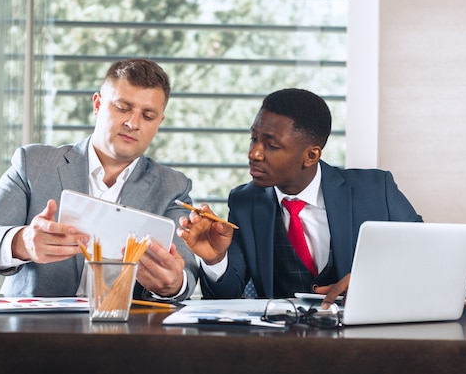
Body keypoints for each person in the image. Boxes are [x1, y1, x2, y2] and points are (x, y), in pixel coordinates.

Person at [0, 58, 199, 301]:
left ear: (159, 122)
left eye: (147, 116)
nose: (133, 123)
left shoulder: (172, 187)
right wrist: (22, 242)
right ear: (97, 104)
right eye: (123, 108)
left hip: (123, 334)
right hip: (31, 330)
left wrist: (172, 284)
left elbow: (185, 274)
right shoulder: (34, 164)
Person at [178, 88, 422, 304]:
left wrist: (372, 281)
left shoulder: (376, 190)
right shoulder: (245, 202)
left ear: (311, 155)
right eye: (254, 138)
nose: (254, 153)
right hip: (283, 344)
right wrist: (215, 260)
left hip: (362, 340)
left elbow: (432, 263)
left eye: (271, 146)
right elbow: (226, 296)